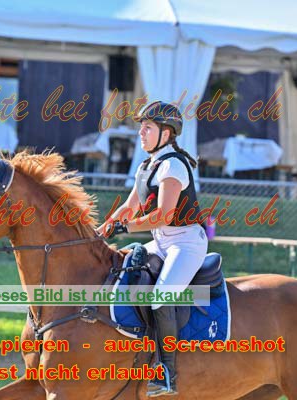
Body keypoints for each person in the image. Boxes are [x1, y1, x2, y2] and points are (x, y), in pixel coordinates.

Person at [97, 101, 208, 397]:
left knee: (160, 298)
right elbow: (129, 206)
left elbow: (164, 215)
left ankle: (167, 372)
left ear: (166, 133)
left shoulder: (173, 165)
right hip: (162, 242)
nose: (141, 133)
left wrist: (125, 228)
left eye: (147, 128)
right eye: (141, 128)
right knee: (124, 270)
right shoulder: (147, 166)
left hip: (185, 242)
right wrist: (103, 228)